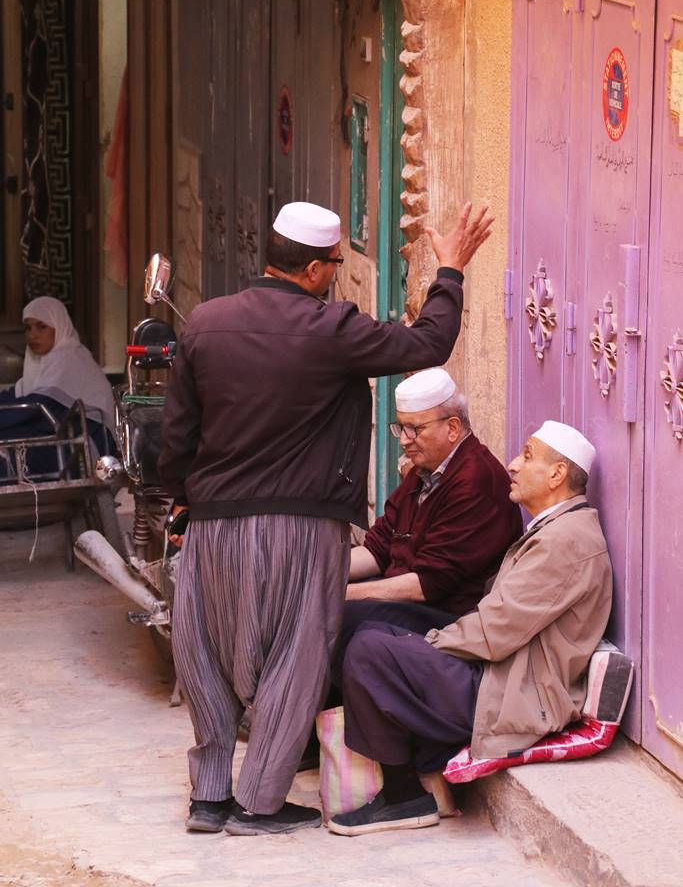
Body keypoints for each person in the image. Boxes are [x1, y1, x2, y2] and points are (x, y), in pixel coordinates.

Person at [158, 199, 493, 836]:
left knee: (202, 649)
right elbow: (429, 341)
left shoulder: (205, 323)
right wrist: (449, 269)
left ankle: (208, 799)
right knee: (298, 651)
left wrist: (180, 501)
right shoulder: (330, 328)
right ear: (315, 269)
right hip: (300, 525)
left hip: (214, 519)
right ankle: (257, 802)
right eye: (335, 265)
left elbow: (179, 431)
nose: (334, 276)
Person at [329, 420, 612, 837]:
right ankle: (416, 774)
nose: (512, 465)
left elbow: (494, 633)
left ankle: (404, 795)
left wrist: (429, 643)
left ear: (556, 475)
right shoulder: (557, 530)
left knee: (372, 650)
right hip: (499, 672)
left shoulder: (565, 541)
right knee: (375, 636)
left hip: (511, 691)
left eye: (527, 457)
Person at [334, 366, 522, 681]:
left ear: (452, 428)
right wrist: (317, 575)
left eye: (414, 430)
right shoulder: (424, 473)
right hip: (413, 598)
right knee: (314, 608)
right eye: (401, 429)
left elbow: (429, 584)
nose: (405, 441)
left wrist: (337, 594)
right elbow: (378, 548)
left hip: (451, 617)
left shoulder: (475, 479)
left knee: (336, 617)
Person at [0, 297, 116, 476]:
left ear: (59, 326)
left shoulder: (69, 359)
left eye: (41, 326)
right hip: (63, 437)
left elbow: (39, 409)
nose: (32, 335)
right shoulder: (40, 364)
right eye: (28, 328)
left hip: (85, 445)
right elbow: (14, 397)